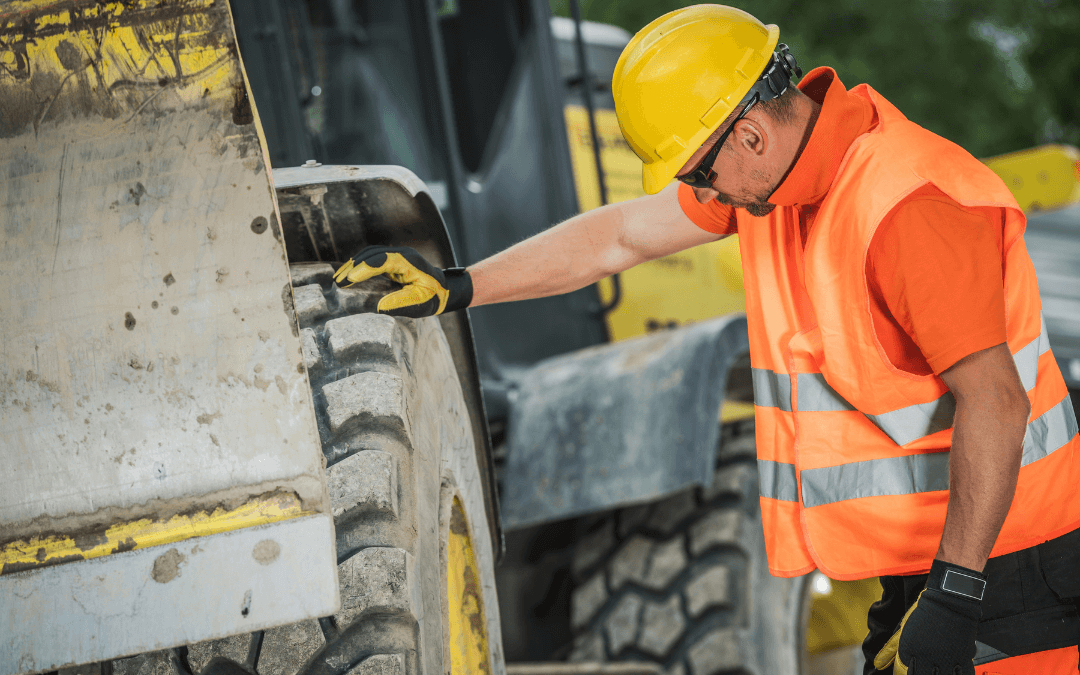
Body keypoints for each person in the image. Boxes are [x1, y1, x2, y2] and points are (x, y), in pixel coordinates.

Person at [333, 5, 1080, 674]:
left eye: (703, 173)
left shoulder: (907, 208)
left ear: (750, 132)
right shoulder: (784, 179)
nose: (706, 194)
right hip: (940, 559)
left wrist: (954, 594)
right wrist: (461, 285)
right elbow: (619, 235)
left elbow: (996, 401)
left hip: (1013, 566)